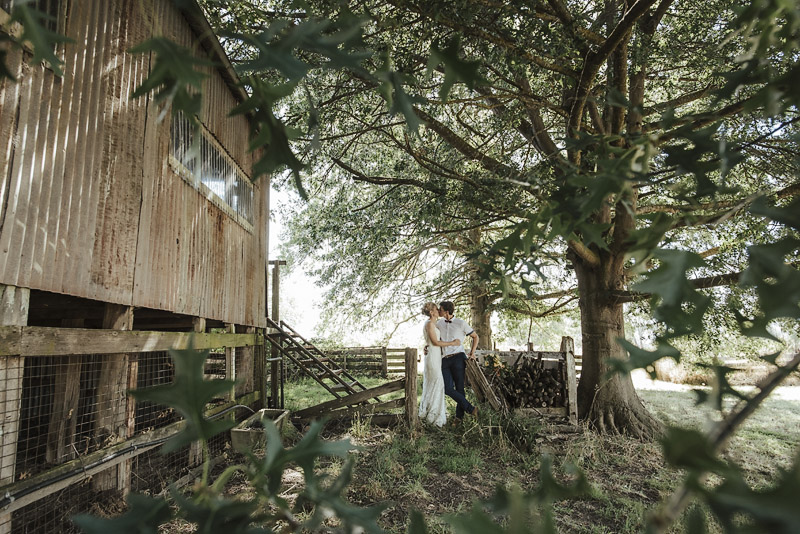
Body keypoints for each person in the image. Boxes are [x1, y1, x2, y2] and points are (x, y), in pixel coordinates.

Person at [418, 302, 461, 427]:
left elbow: (431, 342)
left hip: (437, 356)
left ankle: (433, 413)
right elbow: (435, 342)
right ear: (432, 312)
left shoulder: (434, 324)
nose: (438, 310)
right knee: (437, 383)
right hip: (432, 356)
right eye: (436, 309)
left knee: (435, 384)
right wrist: (452, 343)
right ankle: (433, 416)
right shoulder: (429, 324)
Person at [437, 301, 479, 424]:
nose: (438, 311)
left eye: (440, 309)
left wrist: (472, 352)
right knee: (447, 388)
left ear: (446, 311)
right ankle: (471, 409)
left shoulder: (461, 323)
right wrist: (427, 346)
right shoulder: (439, 323)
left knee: (460, 388)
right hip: (444, 359)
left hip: (458, 358)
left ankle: (458, 418)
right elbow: (433, 337)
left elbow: (475, 337)